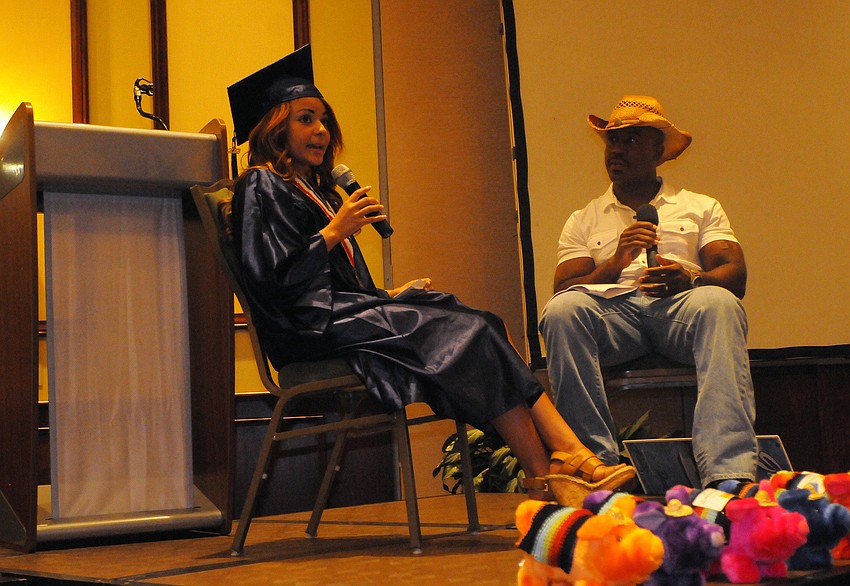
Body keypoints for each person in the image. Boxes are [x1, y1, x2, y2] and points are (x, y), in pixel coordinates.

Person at [225, 46, 635, 502]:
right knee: (470, 331)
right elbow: (271, 279)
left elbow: (330, 282)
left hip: (332, 316)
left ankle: (549, 469)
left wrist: (385, 294)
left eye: (323, 119)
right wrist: (335, 231)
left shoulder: (310, 187)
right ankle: (563, 457)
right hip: (303, 329)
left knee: (480, 322)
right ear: (273, 126)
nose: (321, 130)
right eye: (305, 118)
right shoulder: (261, 183)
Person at [539, 95, 757, 489]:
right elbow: (562, 289)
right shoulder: (584, 218)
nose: (617, 150)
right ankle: (596, 466)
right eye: (613, 141)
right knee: (562, 311)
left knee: (720, 303)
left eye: (632, 140)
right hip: (614, 318)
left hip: (680, 312)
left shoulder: (700, 206)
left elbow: (734, 274)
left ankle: (728, 472)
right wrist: (613, 264)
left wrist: (691, 280)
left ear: (659, 151)